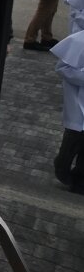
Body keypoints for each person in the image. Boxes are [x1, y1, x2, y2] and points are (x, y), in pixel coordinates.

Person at [50, 30, 84, 194]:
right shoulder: (80, 41)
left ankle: (80, 180)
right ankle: (64, 171)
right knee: (70, 146)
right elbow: (62, 67)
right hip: (79, 107)